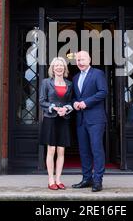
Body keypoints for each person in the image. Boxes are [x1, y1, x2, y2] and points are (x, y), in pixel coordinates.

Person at [71, 51, 108, 192]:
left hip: (96, 119)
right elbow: (75, 97)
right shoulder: (75, 78)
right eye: (78, 60)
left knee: (96, 149)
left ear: (89, 59)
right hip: (81, 119)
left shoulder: (97, 74)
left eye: (82, 59)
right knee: (84, 150)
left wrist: (86, 102)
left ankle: (98, 180)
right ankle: (87, 178)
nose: (80, 62)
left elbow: (103, 92)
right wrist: (74, 103)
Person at [39, 57, 74, 190]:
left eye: (61, 65)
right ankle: (51, 180)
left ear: (64, 68)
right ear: (52, 68)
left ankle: (59, 179)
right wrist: (54, 107)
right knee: (51, 149)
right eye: (56, 65)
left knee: (61, 150)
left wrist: (66, 109)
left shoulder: (69, 84)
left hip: (63, 119)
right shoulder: (46, 82)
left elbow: (71, 102)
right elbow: (42, 101)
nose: (59, 68)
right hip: (50, 118)